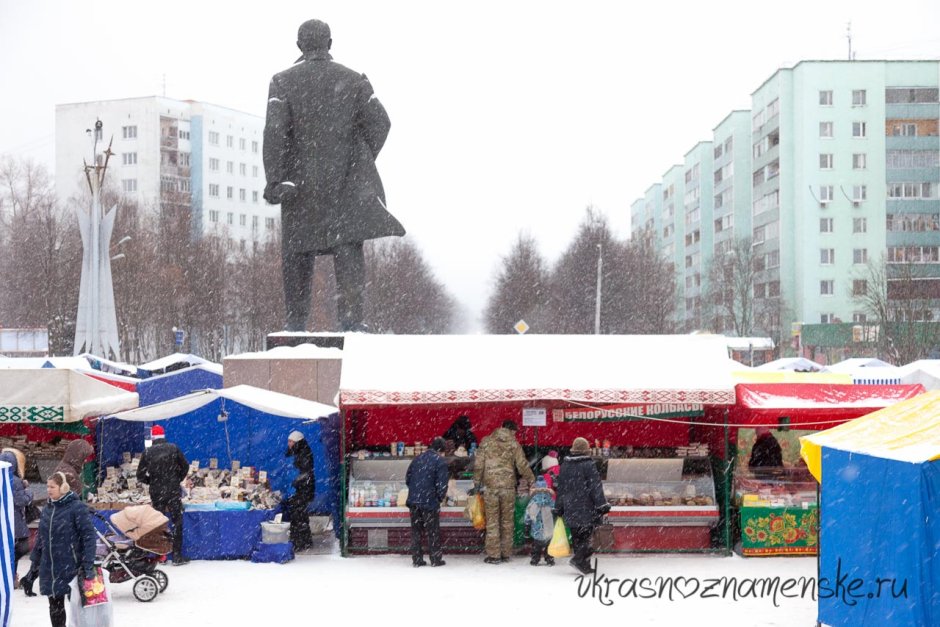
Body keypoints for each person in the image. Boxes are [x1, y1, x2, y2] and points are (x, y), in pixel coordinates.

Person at [263, 18, 404, 332]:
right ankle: (352, 324)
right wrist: (359, 161)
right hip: (344, 188)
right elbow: (381, 122)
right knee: (347, 252)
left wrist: (276, 180)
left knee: (297, 254)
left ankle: (295, 325)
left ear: (299, 45)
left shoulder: (283, 82)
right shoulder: (354, 81)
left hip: (299, 189)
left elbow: (275, 133)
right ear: (330, 42)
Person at [26, 472, 97, 627]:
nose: (49, 490)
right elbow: (41, 539)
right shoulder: (47, 509)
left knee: (78, 609)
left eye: (52, 486)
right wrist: (34, 565)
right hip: (51, 567)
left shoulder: (76, 508)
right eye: (47, 486)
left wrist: (88, 564)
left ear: (63, 488)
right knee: (55, 608)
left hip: (72, 566)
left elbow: (89, 537)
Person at [472, 420, 535, 564]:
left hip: (491, 488)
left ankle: (494, 555)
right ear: (511, 430)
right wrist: (531, 479)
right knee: (507, 521)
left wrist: (476, 482)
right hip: (508, 488)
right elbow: (522, 464)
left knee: (493, 522)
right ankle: (506, 553)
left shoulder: (486, 442)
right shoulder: (514, 444)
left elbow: (479, 464)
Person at [555, 437, 610, 575]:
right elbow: (595, 486)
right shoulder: (588, 464)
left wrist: (559, 506)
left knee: (577, 538)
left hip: (570, 506)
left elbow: (561, 488)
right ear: (586, 450)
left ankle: (584, 565)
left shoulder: (565, 465)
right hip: (586, 507)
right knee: (586, 537)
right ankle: (579, 560)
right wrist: (602, 505)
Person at [137, 425, 190, 565]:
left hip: (157, 491)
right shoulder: (173, 448)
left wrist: (151, 481)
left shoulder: (147, 452)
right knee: (177, 522)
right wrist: (177, 478)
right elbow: (185, 466)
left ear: (152, 437)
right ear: (164, 435)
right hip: (173, 490)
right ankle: (177, 555)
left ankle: (160, 555)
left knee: (158, 523)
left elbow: (140, 475)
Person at [405, 437, 449, 567]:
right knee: (433, 531)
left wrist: (416, 492)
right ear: (440, 450)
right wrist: (439, 498)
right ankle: (435, 559)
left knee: (416, 531)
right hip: (429, 502)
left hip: (414, 501)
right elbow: (442, 484)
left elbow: (407, 479)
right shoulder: (439, 461)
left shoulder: (417, 459)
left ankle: (417, 559)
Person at [0, 449, 30, 587]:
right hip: (15, 521)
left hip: (5, 520)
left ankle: (10, 576)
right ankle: (11, 576)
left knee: (8, 548)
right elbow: (21, 501)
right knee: (19, 548)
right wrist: (29, 492)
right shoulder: (15, 481)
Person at [286, 430, 315, 551]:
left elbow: (306, 472)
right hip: (302, 489)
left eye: (291, 441)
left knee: (299, 515)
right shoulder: (300, 452)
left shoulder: (303, 454)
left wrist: (296, 482)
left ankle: (300, 542)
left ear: (297, 442)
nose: (289, 443)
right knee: (300, 515)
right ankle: (304, 541)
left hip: (303, 489)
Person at [524, 476, 556, 566]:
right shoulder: (550, 500)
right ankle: (549, 559)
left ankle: (535, 559)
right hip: (549, 527)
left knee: (536, 546)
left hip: (537, 529)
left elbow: (528, 514)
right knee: (549, 545)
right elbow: (555, 510)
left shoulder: (533, 501)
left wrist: (527, 525)